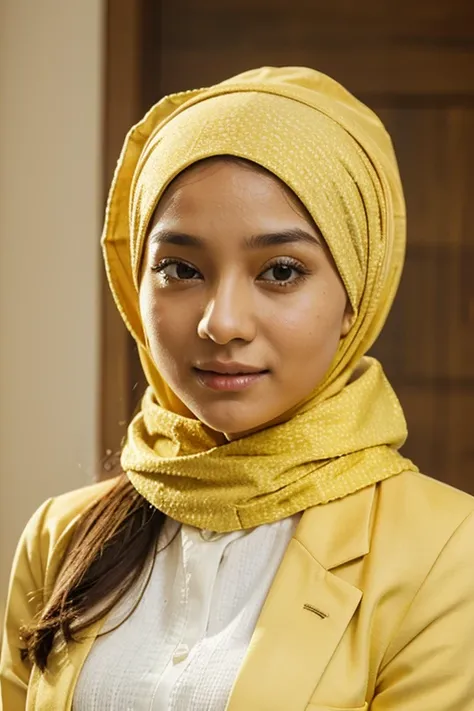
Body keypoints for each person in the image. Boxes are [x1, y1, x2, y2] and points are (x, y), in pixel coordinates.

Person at [1, 66, 473, 711]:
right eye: (179, 268)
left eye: (281, 271)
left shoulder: (451, 553)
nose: (220, 322)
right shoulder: (63, 534)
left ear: (353, 299)